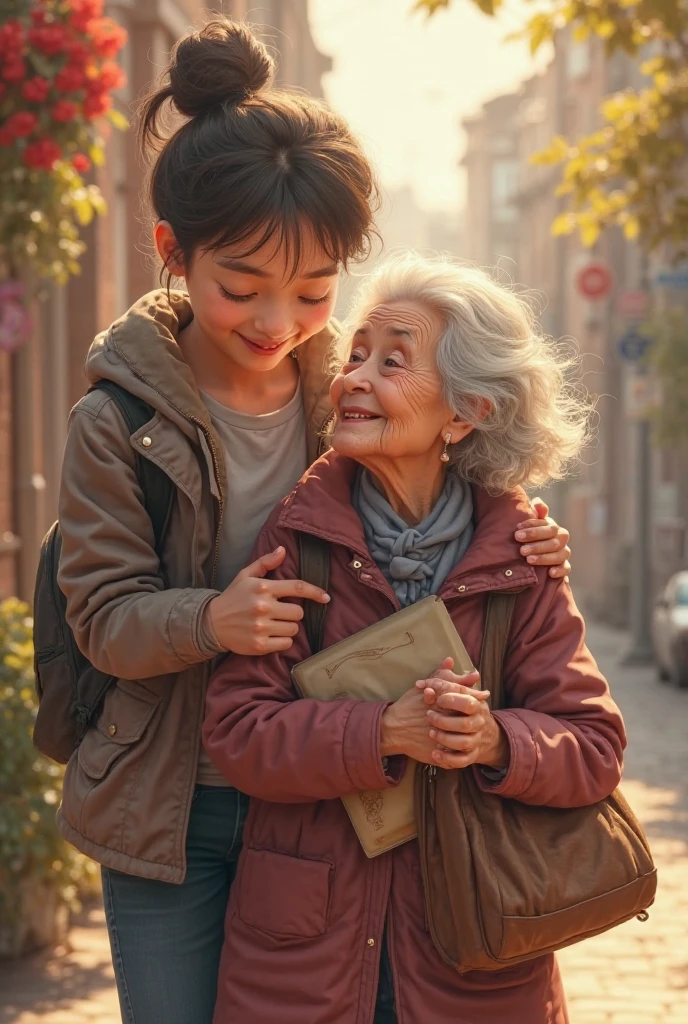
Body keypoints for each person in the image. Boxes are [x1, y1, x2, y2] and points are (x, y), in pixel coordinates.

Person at [55, 19, 573, 1024]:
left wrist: (520, 532)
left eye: (312, 292)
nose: (276, 322)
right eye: (241, 288)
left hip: (323, 791)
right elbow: (102, 620)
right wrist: (215, 619)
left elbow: (444, 478)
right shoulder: (112, 420)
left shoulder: (350, 388)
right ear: (173, 250)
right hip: (175, 804)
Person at [203, 254, 626, 1024]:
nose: (355, 377)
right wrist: (382, 731)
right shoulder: (302, 535)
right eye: (355, 354)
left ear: (466, 413)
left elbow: (593, 748)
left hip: (472, 942)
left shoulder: (521, 557)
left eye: (392, 361)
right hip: (307, 953)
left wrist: (497, 741)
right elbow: (238, 732)